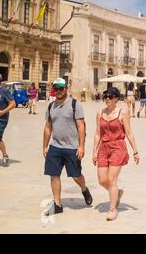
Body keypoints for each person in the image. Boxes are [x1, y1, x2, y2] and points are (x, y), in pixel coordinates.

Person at [42, 78, 93, 216]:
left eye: (61, 88)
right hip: (55, 146)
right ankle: (57, 204)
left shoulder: (75, 104)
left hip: (72, 147)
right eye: (55, 89)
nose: (58, 91)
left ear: (66, 88)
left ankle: (84, 188)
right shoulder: (50, 106)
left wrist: (81, 146)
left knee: (76, 175)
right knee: (54, 175)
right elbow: (48, 127)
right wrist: (45, 146)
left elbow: (81, 126)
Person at [92, 87, 140, 221]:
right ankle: (117, 193)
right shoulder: (99, 113)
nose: (107, 99)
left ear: (116, 99)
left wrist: (135, 151)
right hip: (103, 147)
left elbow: (129, 132)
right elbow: (97, 134)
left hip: (118, 147)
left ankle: (112, 209)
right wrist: (94, 151)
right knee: (102, 180)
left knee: (111, 180)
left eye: (110, 96)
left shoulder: (122, 113)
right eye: (105, 96)